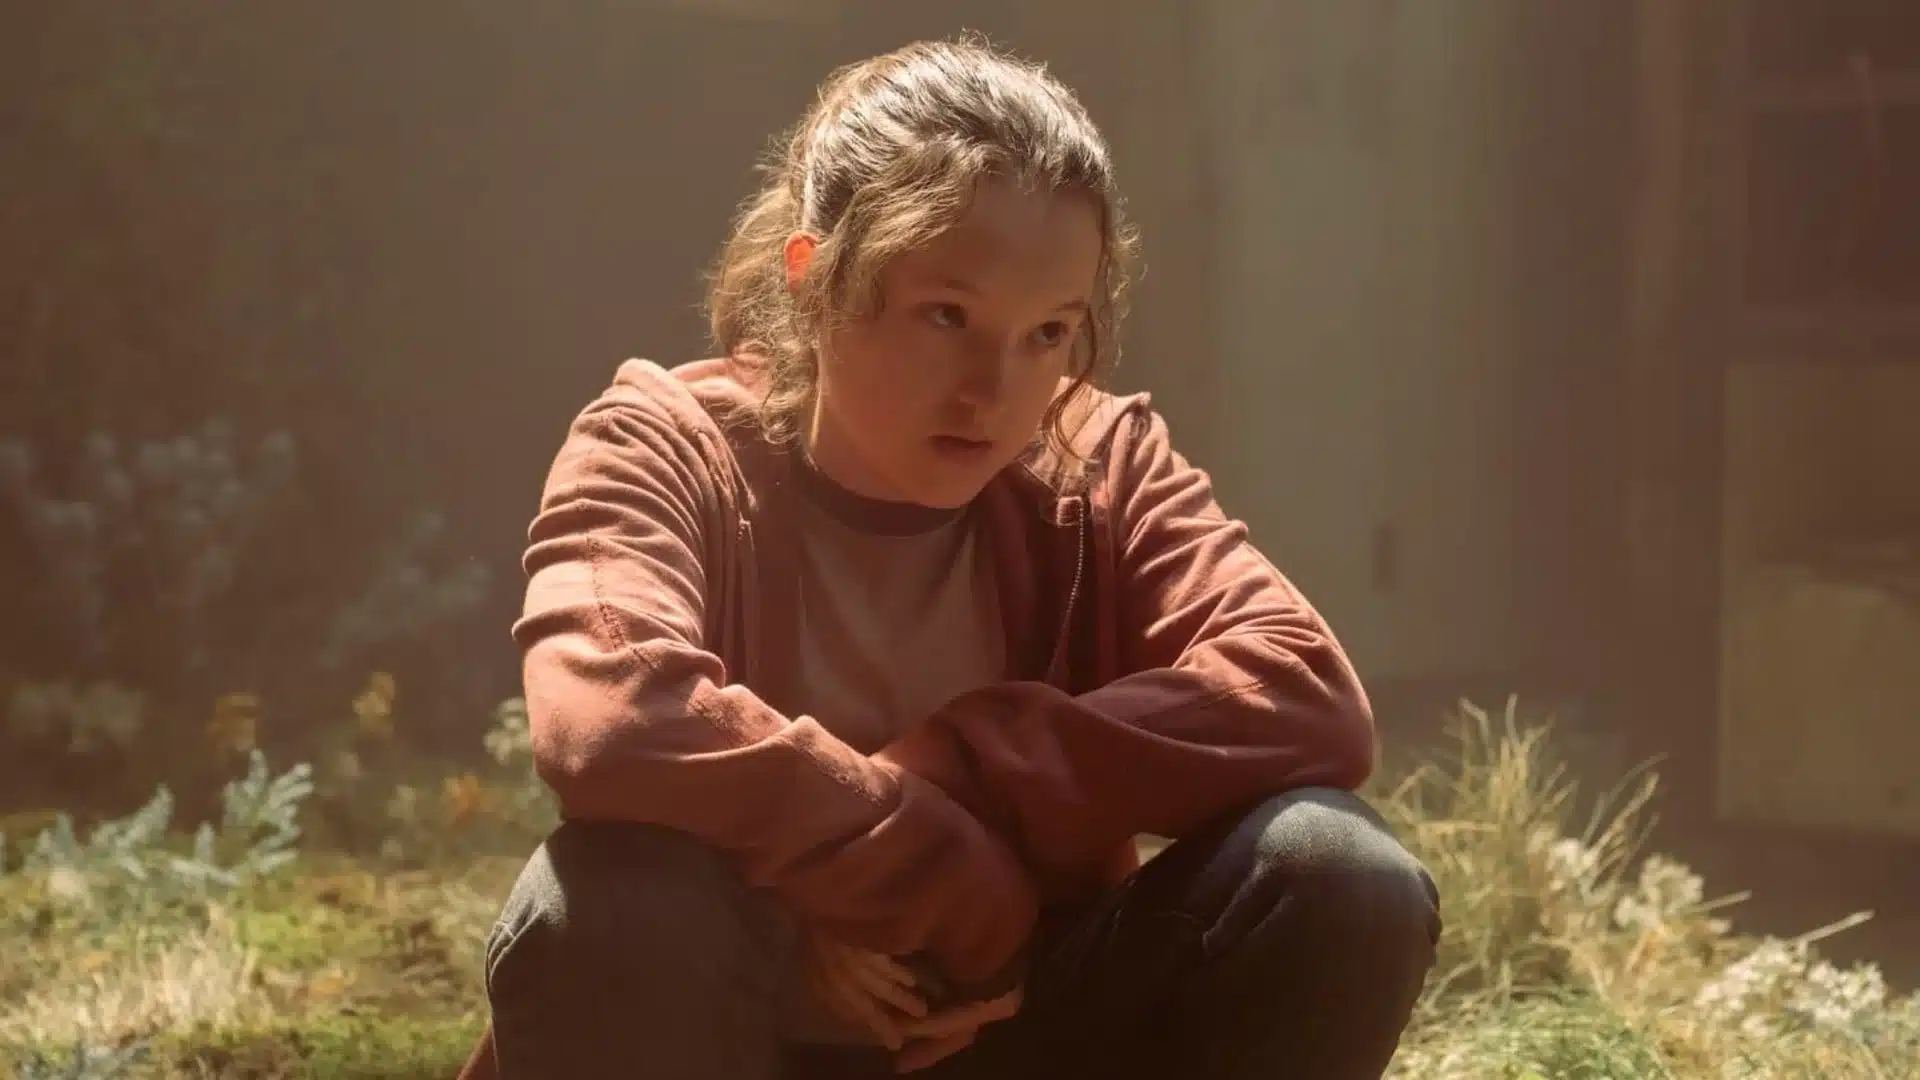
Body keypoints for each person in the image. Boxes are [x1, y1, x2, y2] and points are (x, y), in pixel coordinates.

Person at [457, 35, 1439, 1080]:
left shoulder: (1094, 460)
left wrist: (966, 771)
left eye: (1048, 333)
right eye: (947, 316)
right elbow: (610, 719)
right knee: (607, 904)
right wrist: (926, 884)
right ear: (813, 276)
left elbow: (1303, 693)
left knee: (1337, 871)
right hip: (738, 1026)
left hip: (1015, 1010)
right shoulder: (660, 442)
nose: (993, 391)